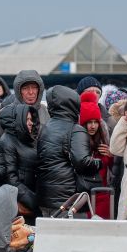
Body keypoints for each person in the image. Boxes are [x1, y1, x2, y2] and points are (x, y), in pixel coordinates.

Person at [36, 86, 102, 215]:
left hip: (45, 197)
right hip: (69, 199)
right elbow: (82, 162)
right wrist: (98, 163)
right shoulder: (75, 130)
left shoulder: (45, 128)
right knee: (71, 234)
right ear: (74, 104)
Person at [0, 104, 40, 221]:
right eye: (27, 119)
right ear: (18, 120)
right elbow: (10, 178)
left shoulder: (27, 138)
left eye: (31, 119)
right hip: (21, 202)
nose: (31, 123)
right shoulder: (8, 141)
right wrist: (34, 200)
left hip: (30, 198)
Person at [79, 91, 113, 215]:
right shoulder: (78, 144)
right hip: (83, 195)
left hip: (103, 194)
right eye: (89, 122)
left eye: (95, 122)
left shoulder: (104, 142)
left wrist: (111, 156)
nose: (93, 126)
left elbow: (112, 169)